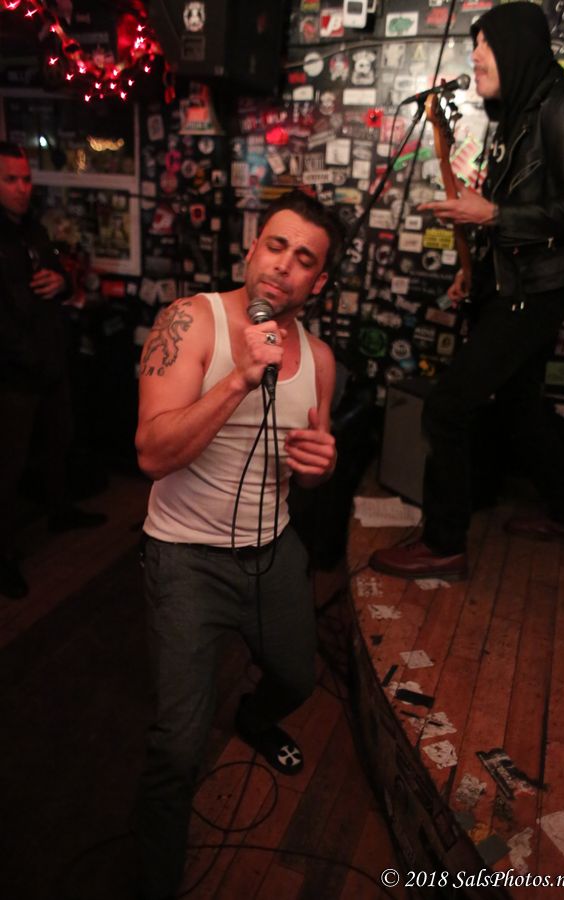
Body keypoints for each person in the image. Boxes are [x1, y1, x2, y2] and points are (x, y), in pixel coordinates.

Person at [133, 190, 341, 900]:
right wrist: (242, 376)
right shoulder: (192, 320)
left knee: (298, 679)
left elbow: (305, 467)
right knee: (178, 747)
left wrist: (320, 466)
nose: (284, 265)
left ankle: (254, 716)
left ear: (318, 282)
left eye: (304, 259)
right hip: (184, 557)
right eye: (276, 246)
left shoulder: (319, 360)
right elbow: (152, 454)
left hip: (271, 549)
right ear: (252, 249)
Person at [370, 2, 564, 581]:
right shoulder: (517, 115)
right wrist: (474, 268)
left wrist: (494, 214)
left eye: (484, 44)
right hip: (511, 283)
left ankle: (444, 544)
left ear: (517, 46)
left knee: (448, 407)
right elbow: (515, 210)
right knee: (521, 410)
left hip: (536, 291)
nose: (473, 56)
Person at [0, 143, 107, 601]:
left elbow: (55, 280)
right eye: (11, 179)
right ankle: (3, 557)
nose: (22, 187)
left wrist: (61, 281)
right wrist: (25, 355)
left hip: (48, 360)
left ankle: (60, 510)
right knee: (7, 468)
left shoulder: (33, 228)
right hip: (13, 372)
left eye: (26, 178)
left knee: (59, 441)